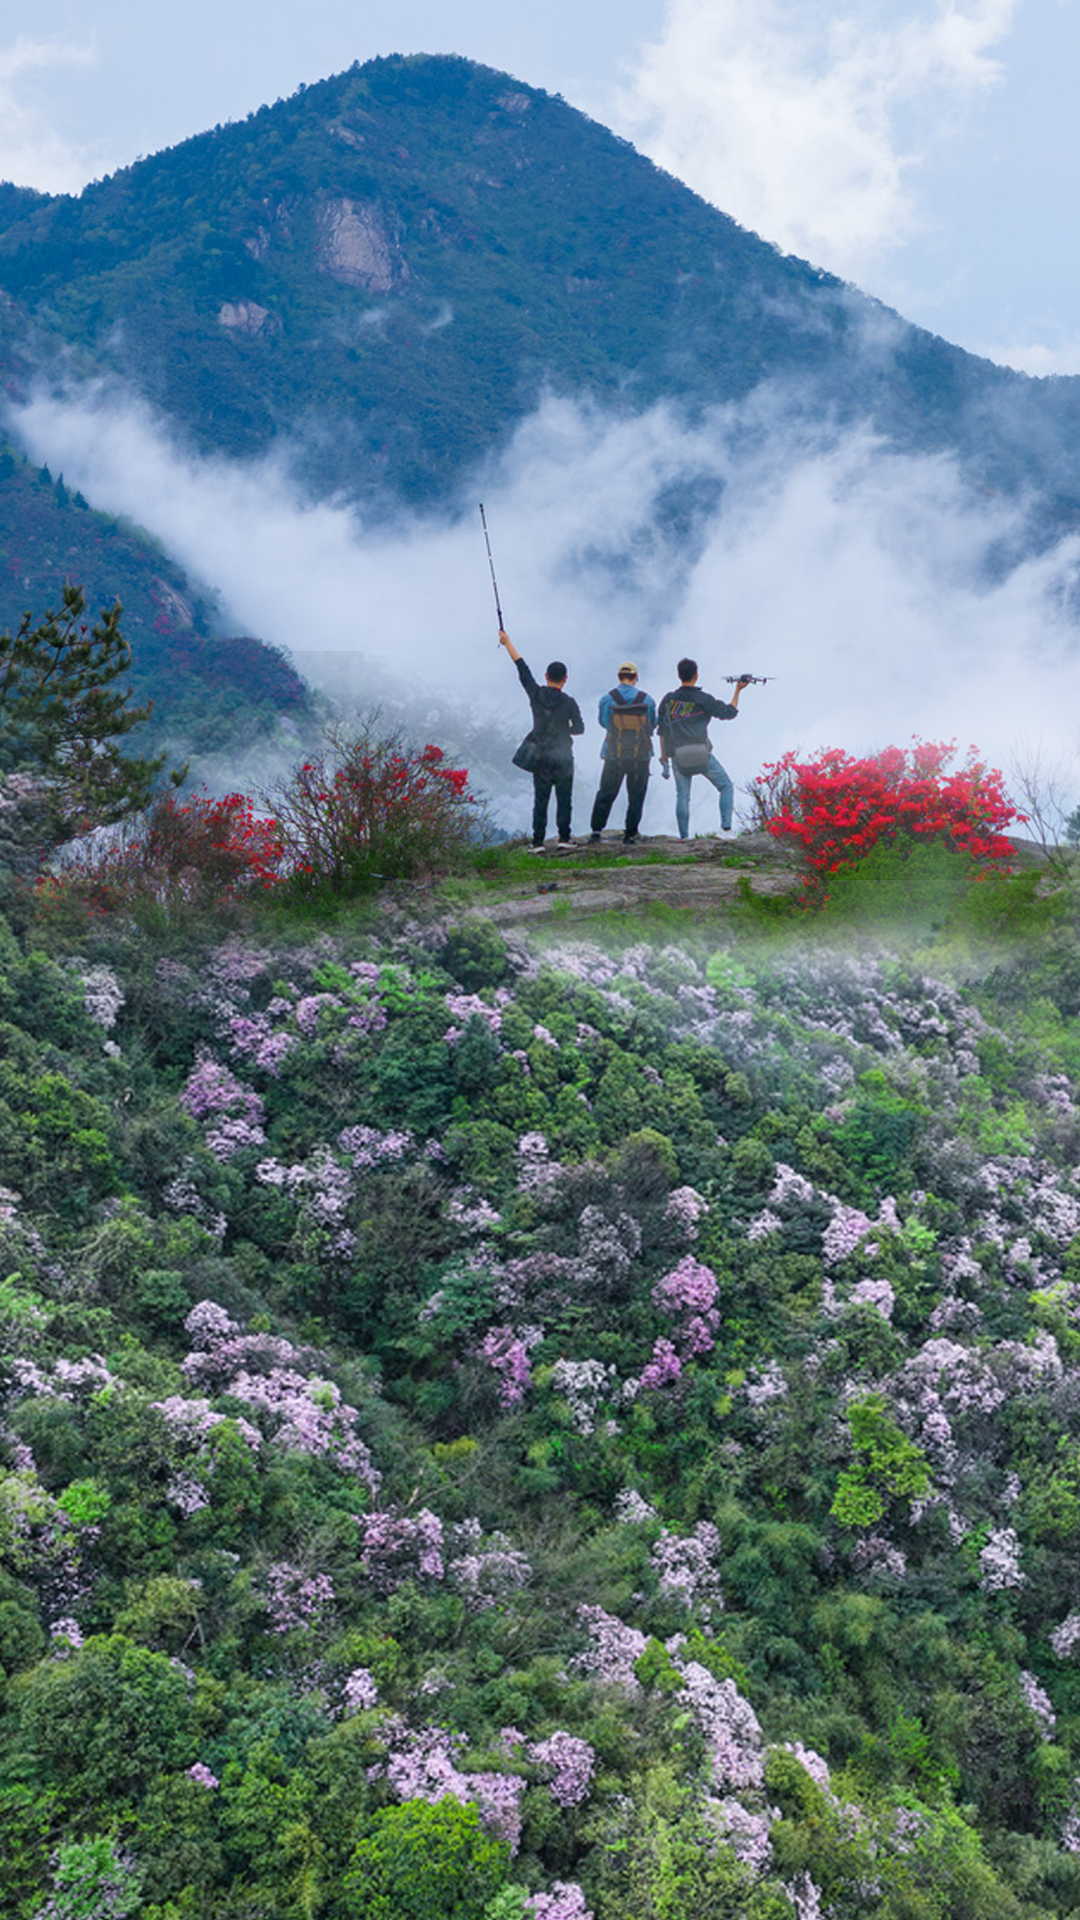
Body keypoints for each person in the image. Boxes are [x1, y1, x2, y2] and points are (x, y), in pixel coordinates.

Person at [499, 629, 584, 850]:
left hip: (541, 757)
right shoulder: (569, 703)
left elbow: (522, 669)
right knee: (564, 799)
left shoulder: (536, 695)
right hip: (564, 755)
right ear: (565, 679)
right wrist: (565, 729)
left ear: (546, 676)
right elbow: (580, 728)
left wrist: (507, 643)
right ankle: (564, 838)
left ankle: (538, 842)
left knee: (541, 800)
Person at [658, 658, 752, 840]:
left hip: (678, 754)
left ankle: (684, 837)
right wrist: (738, 690)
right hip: (702, 754)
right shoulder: (703, 699)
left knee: (682, 797)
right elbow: (729, 713)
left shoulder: (668, 701)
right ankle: (725, 829)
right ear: (696, 675)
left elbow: (661, 730)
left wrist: (664, 756)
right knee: (725, 786)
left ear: (679, 675)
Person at [588, 660, 657, 846]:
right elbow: (651, 724)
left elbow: (604, 722)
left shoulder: (607, 699)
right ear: (636, 677)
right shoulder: (647, 700)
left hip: (613, 753)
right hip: (640, 755)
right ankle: (631, 834)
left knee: (606, 792)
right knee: (636, 794)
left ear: (619, 677)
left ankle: (596, 830)